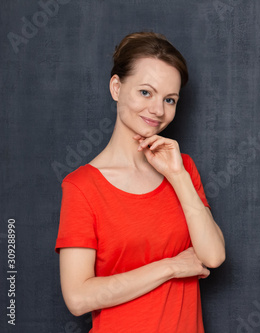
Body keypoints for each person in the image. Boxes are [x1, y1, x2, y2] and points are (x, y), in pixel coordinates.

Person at [54, 31, 225, 333]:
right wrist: (172, 267)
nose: (158, 110)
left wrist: (177, 177)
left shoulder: (183, 168)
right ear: (117, 87)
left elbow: (213, 256)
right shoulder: (82, 187)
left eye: (169, 99)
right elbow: (78, 298)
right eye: (146, 92)